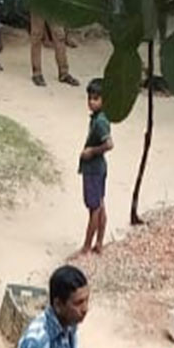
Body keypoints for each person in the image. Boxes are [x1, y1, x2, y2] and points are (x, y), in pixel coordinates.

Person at [75, 83, 113, 258]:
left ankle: (87, 246)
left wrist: (91, 152)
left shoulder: (100, 122)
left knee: (94, 208)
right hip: (98, 168)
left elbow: (109, 144)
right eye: (89, 98)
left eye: (95, 99)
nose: (91, 102)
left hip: (94, 169)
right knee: (100, 204)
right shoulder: (99, 118)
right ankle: (99, 243)